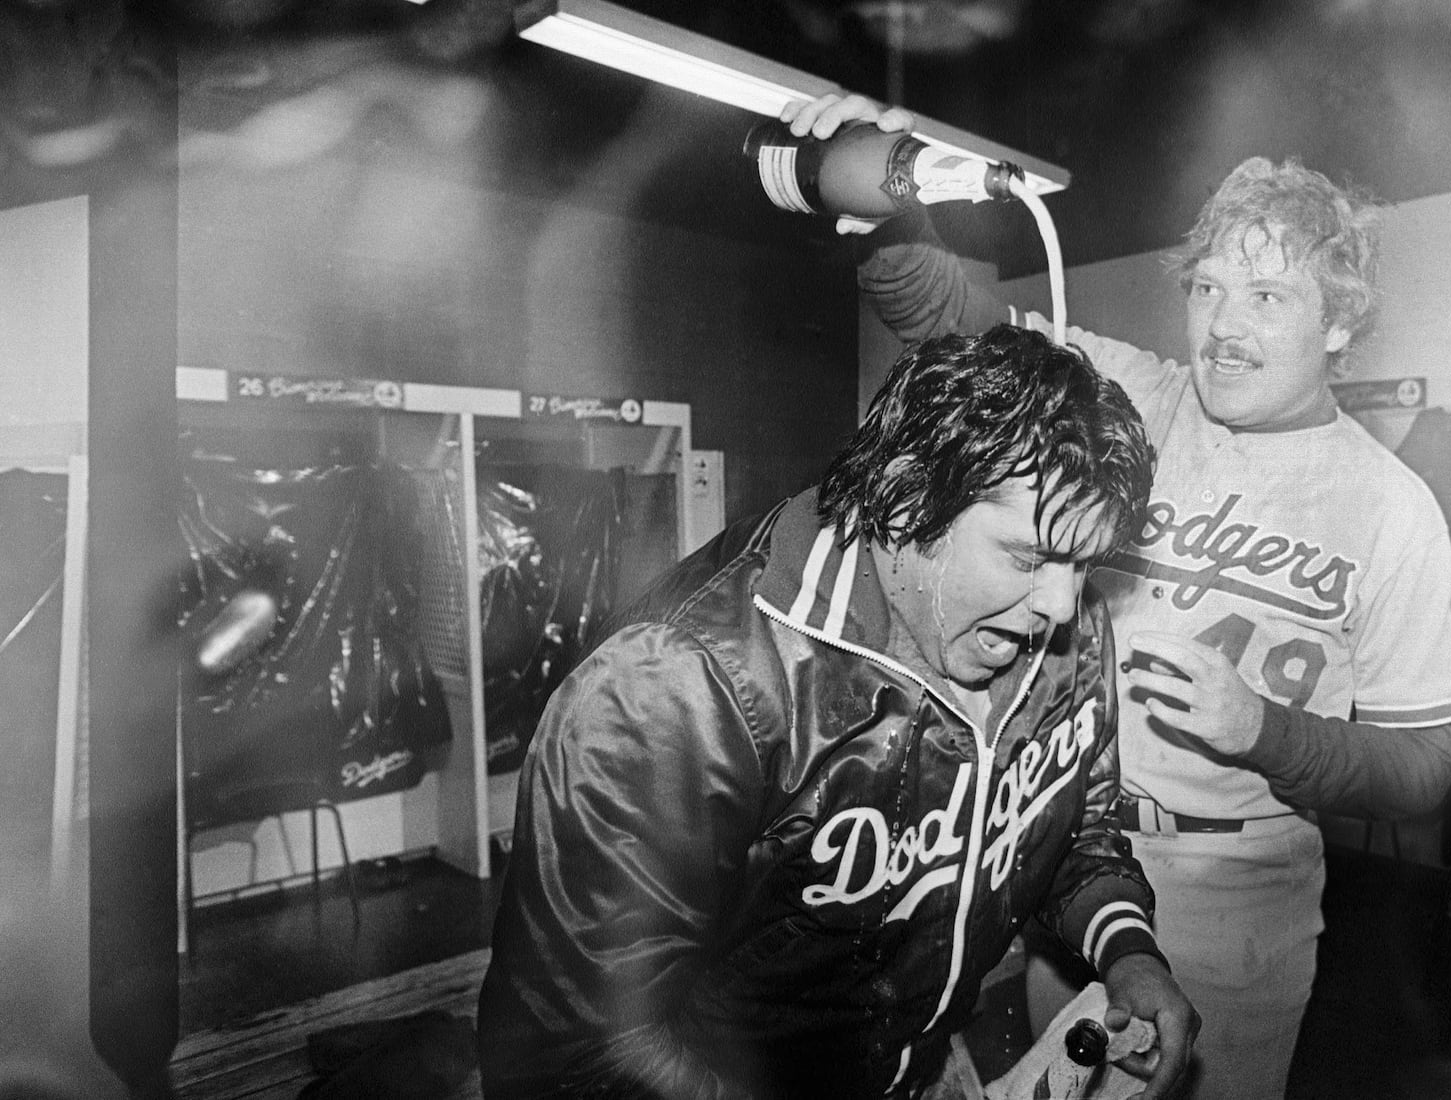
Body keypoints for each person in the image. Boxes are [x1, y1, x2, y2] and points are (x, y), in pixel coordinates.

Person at [782, 94, 1451, 1100]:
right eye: (1206, 286)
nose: (1223, 325)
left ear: (1340, 323)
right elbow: (946, 324)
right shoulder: (1132, 394)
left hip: (1234, 896)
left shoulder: (1392, 506)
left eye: (1268, 296)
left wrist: (1265, 731)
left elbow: (1424, 763)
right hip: (1060, 854)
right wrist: (892, 208)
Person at [476, 324, 1198, 1099]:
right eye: (1027, 559)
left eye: (1084, 562)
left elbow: (1075, 832)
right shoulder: (677, 685)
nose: (1061, 603)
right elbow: (577, 1050)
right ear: (908, 497)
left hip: (928, 1061)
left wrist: (1131, 954)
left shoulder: (1067, 623)